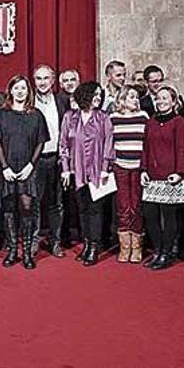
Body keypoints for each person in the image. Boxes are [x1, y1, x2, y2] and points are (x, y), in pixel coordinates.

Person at [0, 76, 49, 270]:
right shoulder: (2, 114)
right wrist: (4, 167)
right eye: (16, 88)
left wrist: (31, 165)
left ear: (28, 91)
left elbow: (41, 141)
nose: (20, 91)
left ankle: (27, 253)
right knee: (8, 208)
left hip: (28, 168)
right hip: (7, 167)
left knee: (27, 208)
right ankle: (13, 250)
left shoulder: (36, 114)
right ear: (11, 90)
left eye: (23, 88)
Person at [60, 82, 113, 268]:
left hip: (98, 171)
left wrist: (106, 167)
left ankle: (94, 247)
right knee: (82, 210)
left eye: (100, 95)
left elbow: (108, 143)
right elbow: (64, 144)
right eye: (94, 94)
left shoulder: (103, 118)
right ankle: (86, 243)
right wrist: (65, 169)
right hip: (76, 171)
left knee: (95, 210)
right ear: (85, 95)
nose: (98, 98)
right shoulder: (70, 117)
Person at [140, 86, 184, 271]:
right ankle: (158, 250)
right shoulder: (151, 122)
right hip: (152, 176)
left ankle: (167, 253)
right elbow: (145, 147)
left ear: (173, 101)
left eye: (165, 98)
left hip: (170, 177)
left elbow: (181, 149)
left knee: (169, 217)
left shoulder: (178, 122)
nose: (160, 102)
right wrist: (143, 169)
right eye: (158, 98)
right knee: (151, 216)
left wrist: (179, 172)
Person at [32, 64, 70, 258]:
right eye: (39, 78)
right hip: (35, 160)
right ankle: (33, 242)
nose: (43, 82)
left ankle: (55, 242)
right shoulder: (28, 102)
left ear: (53, 81)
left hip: (56, 159)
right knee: (34, 203)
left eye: (46, 78)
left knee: (56, 204)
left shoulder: (62, 101)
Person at [109, 85, 148, 263]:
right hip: (120, 167)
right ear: (122, 100)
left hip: (138, 168)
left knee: (137, 205)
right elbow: (109, 143)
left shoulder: (143, 117)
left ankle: (137, 246)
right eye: (131, 97)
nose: (135, 100)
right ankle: (125, 246)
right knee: (123, 206)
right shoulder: (113, 118)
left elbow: (148, 144)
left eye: (136, 97)